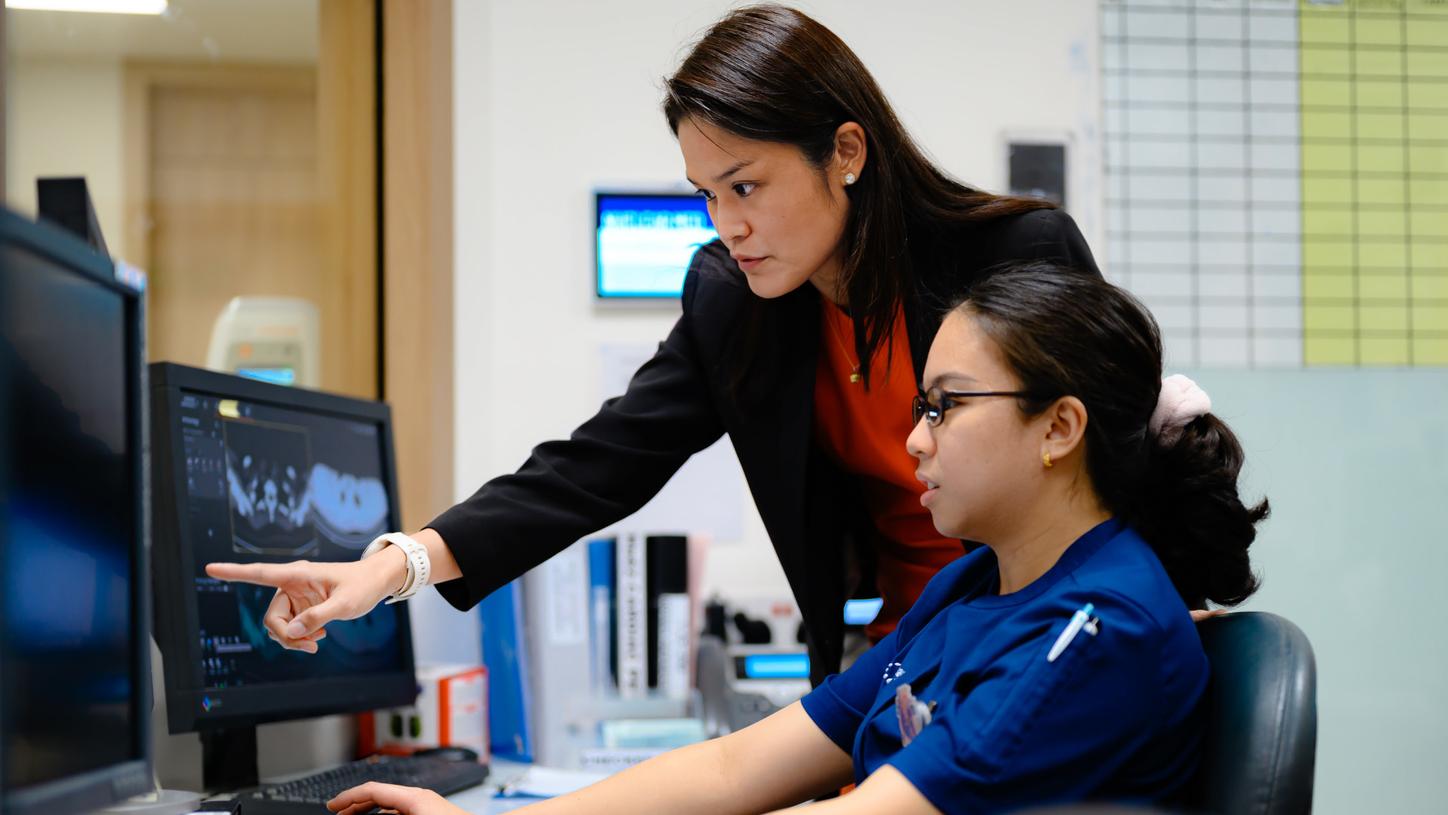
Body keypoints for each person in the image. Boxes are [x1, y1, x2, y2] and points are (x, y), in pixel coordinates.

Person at [207, 4, 1099, 684]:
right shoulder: (736, 303)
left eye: (746, 185)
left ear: (848, 152)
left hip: (1049, 637)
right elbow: (596, 465)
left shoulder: (1015, 258)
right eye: (707, 195)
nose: (729, 226)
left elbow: (1123, 471)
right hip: (902, 656)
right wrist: (395, 565)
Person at [322, 265, 1269, 814]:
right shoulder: (975, 584)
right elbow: (743, 765)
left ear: (1060, 428)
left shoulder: (1093, 628)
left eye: (946, 408)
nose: (914, 440)